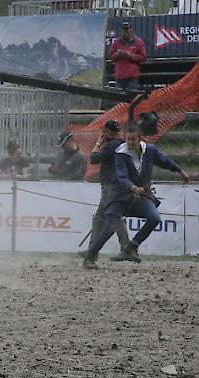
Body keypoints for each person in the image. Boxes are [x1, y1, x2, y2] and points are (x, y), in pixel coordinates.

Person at [83, 124, 189, 269]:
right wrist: (133, 188)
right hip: (119, 195)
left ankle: (131, 246)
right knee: (108, 228)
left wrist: (179, 171)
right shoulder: (121, 153)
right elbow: (121, 175)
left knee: (154, 218)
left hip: (140, 195)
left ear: (140, 139)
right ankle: (89, 258)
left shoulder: (150, 151)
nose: (130, 143)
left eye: (133, 140)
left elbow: (164, 161)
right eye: (128, 139)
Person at [81, 120, 130, 256]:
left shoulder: (111, 145)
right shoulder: (122, 144)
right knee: (100, 218)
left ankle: (126, 247)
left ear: (108, 132)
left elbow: (94, 159)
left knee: (113, 216)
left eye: (104, 131)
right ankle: (93, 249)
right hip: (119, 184)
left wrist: (98, 144)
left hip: (110, 185)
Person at [109, 21, 146, 92]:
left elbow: (143, 58)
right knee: (119, 100)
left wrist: (130, 56)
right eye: (124, 29)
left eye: (127, 29)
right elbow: (111, 57)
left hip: (132, 77)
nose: (126, 31)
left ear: (131, 29)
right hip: (119, 76)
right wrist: (118, 54)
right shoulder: (116, 42)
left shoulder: (138, 42)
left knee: (132, 99)